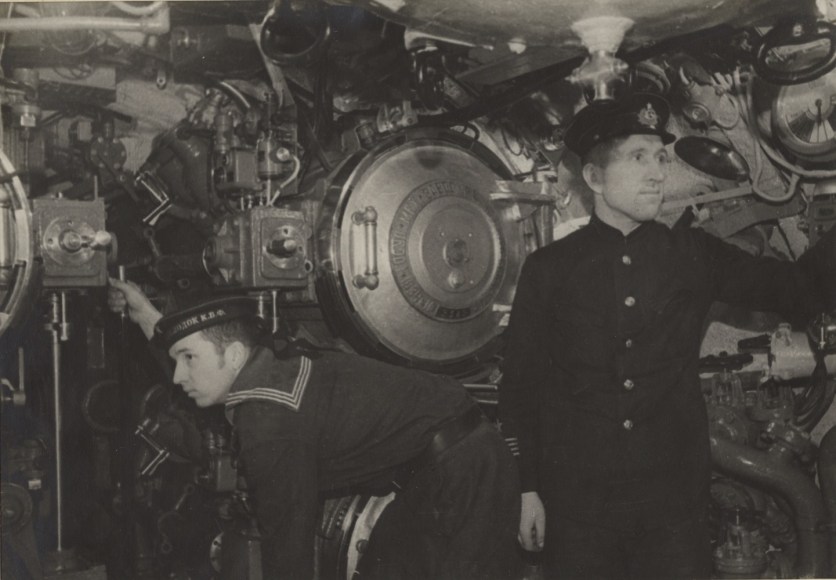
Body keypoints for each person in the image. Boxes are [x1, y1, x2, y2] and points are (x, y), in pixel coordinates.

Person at [498, 92, 836, 579]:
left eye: (659, 157)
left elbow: (798, 289)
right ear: (594, 177)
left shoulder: (693, 254)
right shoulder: (550, 269)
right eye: (637, 158)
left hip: (672, 510)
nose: (657, 172)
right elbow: (520, 389)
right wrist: (526, 490)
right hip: (579, 508)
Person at [107, 280, 521, 579]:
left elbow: (289, 545)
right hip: (436, 468)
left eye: (188, 360)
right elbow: (196, 343)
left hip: (467, 470)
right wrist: (147, 316)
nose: (178, 376)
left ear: (233, 356)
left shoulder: (269, 423)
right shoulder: (267, 365)